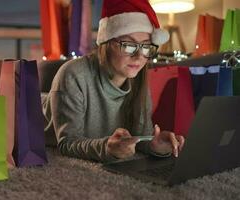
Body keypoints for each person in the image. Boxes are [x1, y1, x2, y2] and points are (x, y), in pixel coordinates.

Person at [42, 0, 185, 163]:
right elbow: (67, 143)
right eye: (129, 45)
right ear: (107, 44)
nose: (139, 57)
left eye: (146, 47)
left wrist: (153, 144)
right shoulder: (73, 74)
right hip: (25, 109)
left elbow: (139, 136)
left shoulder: (138, 79)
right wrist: (106, 148)